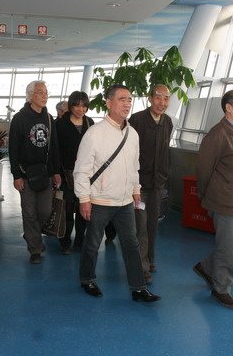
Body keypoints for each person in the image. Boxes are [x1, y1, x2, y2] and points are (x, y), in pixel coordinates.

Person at [74, 84, 161, 303]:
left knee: (131, 244)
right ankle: (87, 279)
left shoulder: (133, 134)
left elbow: (134, 166)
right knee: (92, 243)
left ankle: (138, 288)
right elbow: (82, 169)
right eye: (122, 99)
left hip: (125, 202)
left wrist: (136, 190)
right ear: (108, 103)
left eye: (129, 100)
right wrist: (84, 198)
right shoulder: (94, 134)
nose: (127, 104)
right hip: (99, 200)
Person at [193, 89, 233, 309]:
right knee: (227, 248)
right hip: (224, 201)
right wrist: (206, 196)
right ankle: (221, 289)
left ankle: (206, 267)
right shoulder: (218, 134)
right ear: (228, 107)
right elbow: (203, 170)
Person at [8, 80, 61, 264]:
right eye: (40, 92)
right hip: (26, 174)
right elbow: (13, 149)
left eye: (46, 92)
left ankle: (31, 233)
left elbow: (54, 147)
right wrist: (16, 175)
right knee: (29, 212)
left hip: (45, 174)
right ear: (30, 95)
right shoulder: (19, 118)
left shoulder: (49, 118)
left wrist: (56, 171)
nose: (44, 96)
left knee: (45, 211)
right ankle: (35, 249)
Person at [129, 84, 173, 284]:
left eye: (166, 98)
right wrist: (132, 183)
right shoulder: (137, 120)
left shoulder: (167, 122)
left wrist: (163, 176)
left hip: (157, 185)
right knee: (141, 226)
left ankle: (149, 259)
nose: (162, 102)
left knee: (152, 224)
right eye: (158, 97)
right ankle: (142, 266)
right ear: (150, 98)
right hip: (139, 185)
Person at [55, 91, 94, 254]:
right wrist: (56, 172)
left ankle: (79, 240)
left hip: (86, 174)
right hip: (65, 174)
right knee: (66, 209)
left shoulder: (90, 123)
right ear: (71, 106)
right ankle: (65, 242)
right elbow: (55, 151)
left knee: (82, 208)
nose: (80, 109)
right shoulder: (60, 124)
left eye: (84, 106)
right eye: (77, 105)